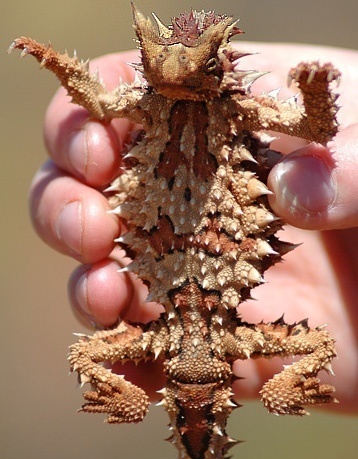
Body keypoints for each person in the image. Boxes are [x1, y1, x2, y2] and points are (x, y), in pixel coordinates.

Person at [28, 44, 358, 412]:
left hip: (185, 333)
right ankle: (144, 411)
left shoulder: (241, 107)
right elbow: (98, 101)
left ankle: (260, 401)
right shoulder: (145, 102)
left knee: (85, 353)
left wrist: (315, 93)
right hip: (211, 334)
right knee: (83, 352)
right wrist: (59, 65)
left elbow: (316, 127)